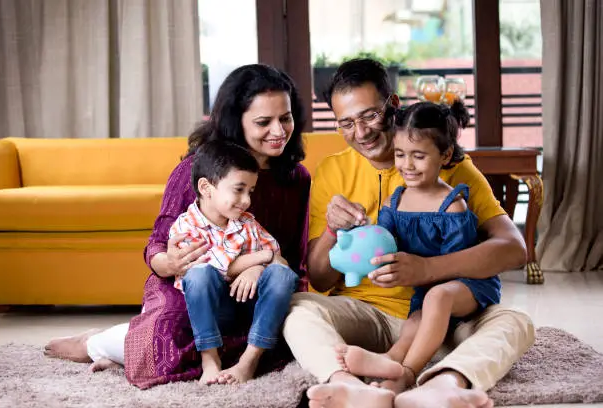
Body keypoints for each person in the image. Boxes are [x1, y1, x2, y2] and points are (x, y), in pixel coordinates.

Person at [281, 58, 534, 408]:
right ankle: (349, 385)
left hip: (443, 319)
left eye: (369, 115)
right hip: (363, 312)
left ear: (394, 105)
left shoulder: (448, 166)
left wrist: (427, 270)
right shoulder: (333, 171)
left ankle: (445, 383)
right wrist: (330, 233)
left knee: (515, 321)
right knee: (297, 307)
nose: (362, 132)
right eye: (347, 123)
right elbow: (321, 279)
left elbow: (513, 249)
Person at [44, 64, 311, 389]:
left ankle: (121, 346)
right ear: (235, 121)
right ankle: (99, 344)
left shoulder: (297, 179)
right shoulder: (195, 171)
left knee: (286, 335)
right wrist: (170, 262)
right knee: (171, 336)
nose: (279, 130)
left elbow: (293, 260)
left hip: (257, 288)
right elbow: (157, 247)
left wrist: (265, 270)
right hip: (191, 286)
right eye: (263, 122)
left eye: (285, 118)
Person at [335, 100, 502, 393]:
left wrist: (421, 274)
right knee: (413, 323)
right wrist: (361, 238)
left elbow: (458, 265)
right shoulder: (395, 202)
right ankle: (390, 361)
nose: (407, 165)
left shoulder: (452, 206)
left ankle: (408, 374)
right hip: (426, 290)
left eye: (418, 156)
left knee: (436, 299)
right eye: (400, 154)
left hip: (467, 286)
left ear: (445, 154)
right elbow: (382, 244)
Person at [169, 141, 298, 385]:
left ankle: (249, 361)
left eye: (250, 191)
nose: (247, 200)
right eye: (238, 190)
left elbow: (280, 261)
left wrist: (258, 268)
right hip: (214, 310)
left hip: (251, 307)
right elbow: (211, 266)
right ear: (206, 187)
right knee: (199, 275)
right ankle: (210, 360)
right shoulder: (186, 227)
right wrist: (260, 258)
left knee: (282, 276)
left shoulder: (247, 223)